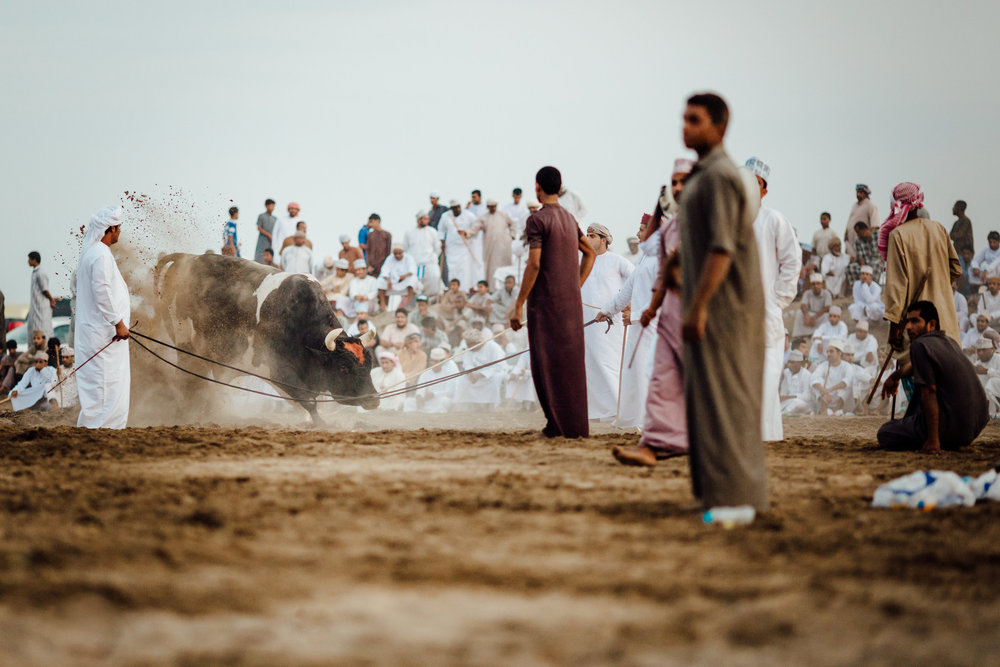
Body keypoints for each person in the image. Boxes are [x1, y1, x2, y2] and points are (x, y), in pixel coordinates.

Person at [676, 92, 767, 512]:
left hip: (724, 309)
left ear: (720, 126)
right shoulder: (702, 175)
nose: (686, 127)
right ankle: (715, 493)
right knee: (707, 402)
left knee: (728, 402)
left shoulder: (720, 177)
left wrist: (698, 307)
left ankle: (736, 498)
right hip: (710, 305)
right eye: (684, 119)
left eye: (695, 120)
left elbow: (722, 248)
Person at [613, 158, 694, 465]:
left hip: (694, 314)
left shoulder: (703, 222)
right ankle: (651, 444)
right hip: (664, 317)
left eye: (683, 182)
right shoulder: (669, 231)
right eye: (672, 184)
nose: (676, 189)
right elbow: (660, 271)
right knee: (659, 378)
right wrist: (651, 309)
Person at [510, 165, 595, 438]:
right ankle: (574, 427)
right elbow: (590, 253)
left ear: (537, 187)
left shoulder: (537, 219)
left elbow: (534, 265)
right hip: (570, 303)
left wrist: (518, 304)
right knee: (570, 364)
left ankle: (554, 426)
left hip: (545, 303)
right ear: (559, 189)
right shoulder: (570, 219)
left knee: (545, 362)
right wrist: (574, 286)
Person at [878, 301, 988, 452]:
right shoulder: (950, 342)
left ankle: (933, 437)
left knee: (885, 432)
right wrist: (896, 376)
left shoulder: (920, 345)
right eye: (907, 322)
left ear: (931, 325)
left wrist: (933, 441)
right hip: (973, 429)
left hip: (949, 430)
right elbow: (913, 367)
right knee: (922, 380)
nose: (908, 327)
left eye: (915, 321)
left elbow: (928, 392)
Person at [745, 156, 802, 442]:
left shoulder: (774, 220)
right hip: (734, 316)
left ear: (764, 190)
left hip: (767, 315)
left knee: (766, 380)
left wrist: (778, 300)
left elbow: (792, 262)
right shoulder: (726, 220)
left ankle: (764, 437)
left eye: (756, 182)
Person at [883, 182, 963, 347]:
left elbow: (896, 287)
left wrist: (894, 328)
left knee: (916, 368)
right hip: (945, 319)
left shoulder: (898, 235)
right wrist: (940, 288)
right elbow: (956, 268)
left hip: (916, 324)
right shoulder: (939, 229)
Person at [75, 205, 131, 429]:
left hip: (101, 333)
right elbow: (102, 291)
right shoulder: (99, 254)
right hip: (104, 334)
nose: (120, 233)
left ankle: (104, 427)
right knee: (107, 385)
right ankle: (103, 429)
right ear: (112, 228)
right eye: (119, 228)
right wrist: (118, 323)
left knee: (107, 386)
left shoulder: (96, 252)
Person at [580, 223, 634, 422]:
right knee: (589, 365)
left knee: (608, 363)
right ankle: (595, 412)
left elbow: (638, 280)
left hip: (609, 321)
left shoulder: (618, 261)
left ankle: (618, 409)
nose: (588, 238)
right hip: (585, 321)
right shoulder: (581, 260)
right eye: (587, 235)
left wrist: (629, 304)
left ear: (603, 239)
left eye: (592, 235)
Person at [453, 328, 505, 410]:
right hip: (474, 374)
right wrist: (470, 373)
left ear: (477, 342)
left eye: (469, 344)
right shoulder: (469, 349)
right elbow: (467, 363)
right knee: (462, 380)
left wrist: (481, 374)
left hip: (492, 373)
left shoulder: (493, 347)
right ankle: (466, 406)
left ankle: (490, 405)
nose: (467, 346)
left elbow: (498, 365)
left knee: (495, 379)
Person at [439, 199, 482, 293]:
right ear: (451, 208)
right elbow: (441, 230)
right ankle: (452, 290)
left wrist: (466, 233)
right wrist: (442, 241)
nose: (457, 209)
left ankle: (464, 291)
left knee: (464, 270)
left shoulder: (469, 215)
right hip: (451, 248)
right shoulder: (445, 216)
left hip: (465, 248)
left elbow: (476, 228)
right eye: (454, 208)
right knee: (451, 269)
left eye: (458, 207)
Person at [404, 211, 443, 297]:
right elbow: (405, 248)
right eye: (425, 219)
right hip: (415, 263)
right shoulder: (409, 232)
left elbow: (437, 247)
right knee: (414, 284)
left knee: (435, 277)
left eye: (428, 219)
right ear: (419, 220)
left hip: (429, 262)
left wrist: (433, 257)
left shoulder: (432, 231)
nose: (427, 221)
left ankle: (432, 299)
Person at [477, 199, 515, 282]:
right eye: (491, 207)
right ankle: (490, 288)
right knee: (490, 267)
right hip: (489, 246)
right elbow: (475, 228)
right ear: (488, 207)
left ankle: (506, 286)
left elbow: (512, 224)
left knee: (504, 266)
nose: (493, 208)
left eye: (494, 206)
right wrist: (467, 233)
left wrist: (512, 236)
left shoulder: (503, 215)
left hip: (503, 245)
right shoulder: (484, 217)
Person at [811, 339, 852, 415]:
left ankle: (836, 410)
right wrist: (824, 391)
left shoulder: (847, 366)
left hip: (840, 399)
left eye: (831, 351)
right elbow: (813, 378)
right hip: (826, 398)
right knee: (817, 382)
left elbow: (847, 381)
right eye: (827, 352)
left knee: (848, 384)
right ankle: (824, 410)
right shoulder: (824, 365)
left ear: (839, 353)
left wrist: (829, 390)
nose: (828, 354)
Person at [415, 347, 458, 413]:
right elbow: (420, 390)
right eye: (432, 360)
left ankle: (426, 413)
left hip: (439, 400)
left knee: (444, 401)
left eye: (436, 361)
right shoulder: (425, 374)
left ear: (442, 362)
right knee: (408, 401)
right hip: (426, 401)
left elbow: (449, 392)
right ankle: (423, 411)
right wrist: (419, 396)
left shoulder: (448, 373)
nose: (433, 363)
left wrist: (434, 394)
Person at [377, 243, 418, 310]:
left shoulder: (408, 257)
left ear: (403, 252)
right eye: (395, 253)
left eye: (399, 253)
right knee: (380, 281)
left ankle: (408, 305)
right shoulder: (390, 258)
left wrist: (404, 276)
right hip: (392, 281)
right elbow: (384, 270)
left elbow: (412, 270)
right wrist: (388, 279)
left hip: (404, 281)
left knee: (413, 280)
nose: (397, 255)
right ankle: (383, 306)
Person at [26, 251, 56, 339]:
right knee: (34, 330)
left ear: (34, 260)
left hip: (41, 307)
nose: (28, 261)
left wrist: (51, 299)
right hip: (35, 307)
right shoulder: (35, 272)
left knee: (43, 329)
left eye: (29, 259)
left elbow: (45, 289)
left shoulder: (40, 273)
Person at [845, 184, 879, 257]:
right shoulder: (855, 205)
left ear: (866, 193)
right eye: (857, 192)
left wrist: (871, 239)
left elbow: (875, 225)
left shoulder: (870, 205)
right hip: (851, 240)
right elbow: (850, 219)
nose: (858, 194)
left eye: (861, 192)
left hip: (863, 241)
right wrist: (846, 232)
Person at [780, 350, 813, 415]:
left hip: (804, 403)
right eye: (789, 362)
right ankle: (780, 413)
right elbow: (783, 393)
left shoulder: (807, 374)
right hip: (789, 401)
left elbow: (808, 396)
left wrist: (791, 397)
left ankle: (783, 414)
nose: (789, 365)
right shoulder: (786, 372)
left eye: (792, 362)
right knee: (778, 403)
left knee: (795, 402)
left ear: (800, 363)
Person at [365, 214, 392, 278]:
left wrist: (386, 267)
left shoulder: (387, 235)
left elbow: (388, 252)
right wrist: (368, 266)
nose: (370, 224)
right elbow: (367, 251)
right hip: (372, 268)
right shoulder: (370, 235)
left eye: (371, 222)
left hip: (383, 267)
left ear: (378, 221)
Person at [254, 199, 277, 263]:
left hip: (271, 241)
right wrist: (268, 235)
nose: (272, 208)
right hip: (263, 240)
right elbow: (259, 228)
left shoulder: (275, 218)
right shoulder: (262, 216)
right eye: (271, 206)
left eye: (273, 206)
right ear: (266, 206)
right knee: (261, 256)